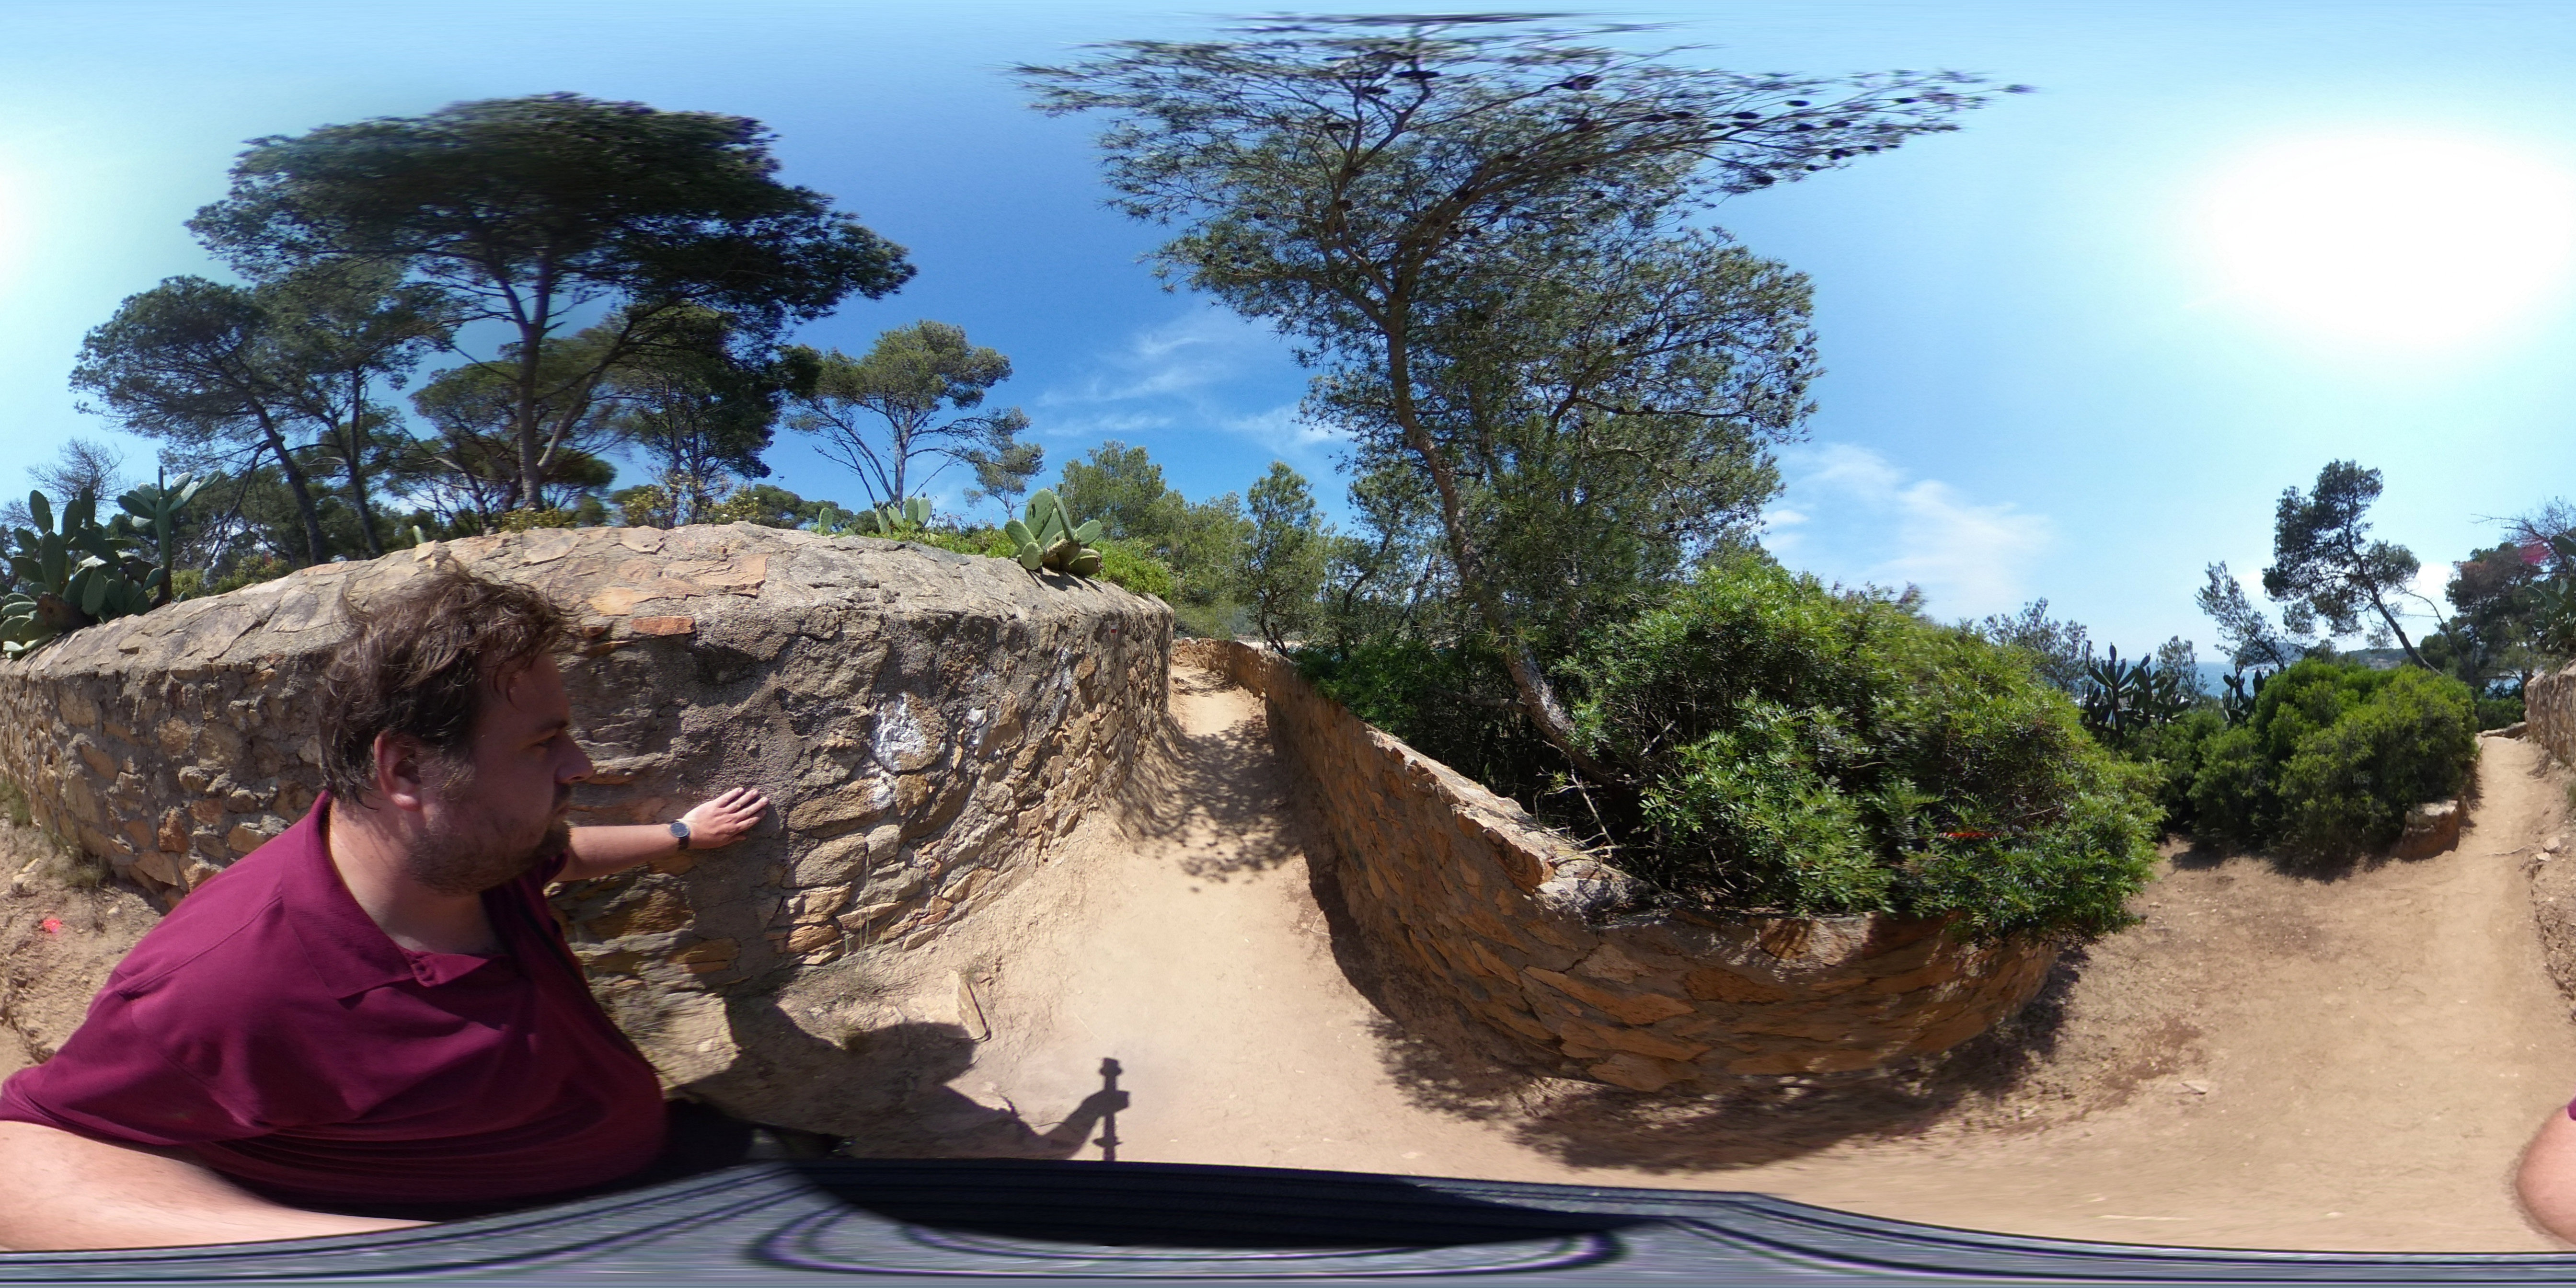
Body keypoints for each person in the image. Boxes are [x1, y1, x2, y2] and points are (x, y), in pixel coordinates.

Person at [0, 569, 771, 1251]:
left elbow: (560, 854)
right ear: (406, 768)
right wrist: (416, 1260)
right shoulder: (227, 983)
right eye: (545, 743)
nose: (582, 765)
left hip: (658, 1179)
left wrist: (680, 835)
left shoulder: (477, 856)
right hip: (565, 1244)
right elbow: (21, 1154)